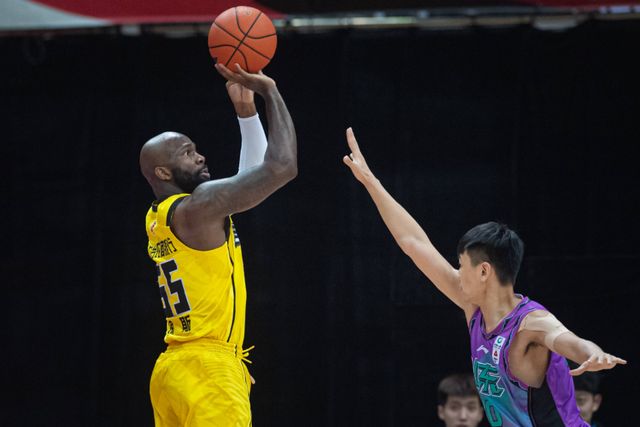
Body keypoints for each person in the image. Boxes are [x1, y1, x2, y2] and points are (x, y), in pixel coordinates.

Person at [341, 128, 626, 427]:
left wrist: (593, 353)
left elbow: (570, 341)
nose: (456, 272)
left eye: (461, 265)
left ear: (483, 271)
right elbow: (414, 243)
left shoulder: (531, 323)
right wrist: (370, 182)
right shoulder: (474, 308)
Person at [139, 63, 297, 427]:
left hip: (173, 369)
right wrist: (270, 91)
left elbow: (249, 184)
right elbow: (282, 167)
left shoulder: (160, 216)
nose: (200, 156)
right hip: (208, 370)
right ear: (162, 172)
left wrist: (246, 112)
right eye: (186, 153)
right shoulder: (197, 208)